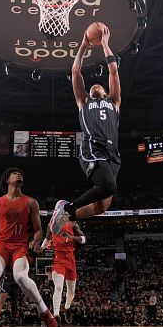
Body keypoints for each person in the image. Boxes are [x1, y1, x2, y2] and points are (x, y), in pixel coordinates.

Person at [0, 168, 58, 327]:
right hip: (1, 245)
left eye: (20, 173)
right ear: (7, 180)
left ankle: (45, 313)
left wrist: (35, 240)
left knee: (21, 277)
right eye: (14, 173)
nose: (19, 174)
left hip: (20, 246)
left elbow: (38, 230)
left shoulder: (31, 202)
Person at [49, 26, 121, 233]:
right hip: (93, 148)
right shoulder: (83, 101)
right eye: (92, 87)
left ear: (106, 92)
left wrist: (105, 44)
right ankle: (68, 209)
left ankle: (65, 215)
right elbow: (75, 71)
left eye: (99, 85)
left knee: (101, 207)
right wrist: (83, 45)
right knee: (109, 186)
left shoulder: (114, 102)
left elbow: (113, 71)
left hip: (112, 154)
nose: (94, 86)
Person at [41, 221, 86, 325]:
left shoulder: (73, 225)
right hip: (58, 260)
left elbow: (84, 239)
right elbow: (47, 239)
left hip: (70, 260)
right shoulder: (51, 225)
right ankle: (56, 315)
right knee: (58, 287)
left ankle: (67, 308)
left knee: (71, 292)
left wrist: (71, 236)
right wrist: (41, 248)